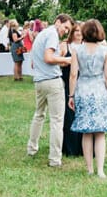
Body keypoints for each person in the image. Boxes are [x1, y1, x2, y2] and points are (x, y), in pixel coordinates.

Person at [69, 18, 107, 177]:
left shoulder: (76, 50)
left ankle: (89, 169)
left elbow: (73, 74)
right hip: (99, 92)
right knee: (100, 132)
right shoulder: (105, 51)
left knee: (86, 132)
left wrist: (71, 95)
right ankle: (100, 170)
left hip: (82, 91)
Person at [27, 14, 73, 167]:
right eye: (65, 27)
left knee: (39, 115)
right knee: (57, 121)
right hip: (52, 82)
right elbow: (48, 58)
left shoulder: (41, 34)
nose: (66, 31)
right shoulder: (53, 34)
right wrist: (66, 59)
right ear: (58, 22)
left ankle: (31, 149)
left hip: (39, 81)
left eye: (68, 30)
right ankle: (54, 159)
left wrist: (59, 60)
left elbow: (36, 62)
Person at [60, 23, 84, 157]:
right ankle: (70, 148)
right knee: (69, 115)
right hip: (68, 83)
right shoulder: (66, 45)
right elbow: (59, 61)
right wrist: (69, 61)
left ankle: (82, 147)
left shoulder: (87, 46)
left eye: (81, 31)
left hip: (84, 84)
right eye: (76, 31)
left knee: (82, 114)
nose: (79, 33)